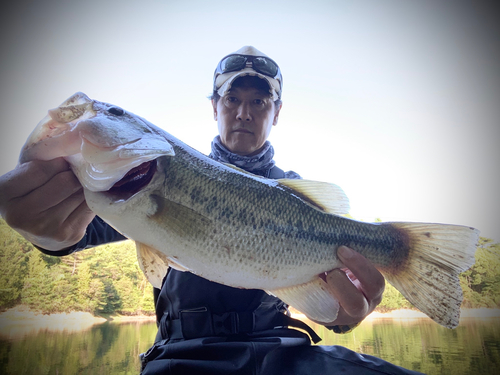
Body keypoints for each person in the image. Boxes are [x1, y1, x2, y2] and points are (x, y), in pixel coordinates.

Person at [0, 46, 422, 374]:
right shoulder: (146, 178)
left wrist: (346, 316)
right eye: (232, 98)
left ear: (276, 113)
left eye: (260, 102)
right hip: (183, 358)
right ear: (214, 106)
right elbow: (76, 233)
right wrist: (46, 230)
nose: (243, 112)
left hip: (283, 353)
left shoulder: (296, 195)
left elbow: (333, 302)